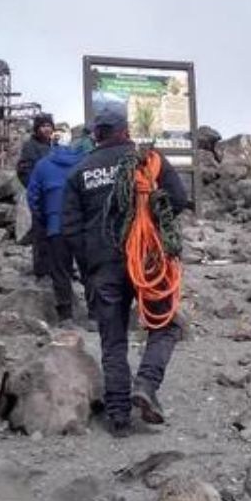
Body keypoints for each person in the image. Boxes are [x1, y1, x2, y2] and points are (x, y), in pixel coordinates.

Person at [62, 106, 188, 437]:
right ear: (125, 130)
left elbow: (70, 229)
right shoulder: (149, 160)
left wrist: (88, 266)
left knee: (113, 338)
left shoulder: (80, 172)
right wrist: (156, 224)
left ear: (96, 134)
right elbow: (178, 198)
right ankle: (146, 382)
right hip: (147, 260)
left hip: (103, 267)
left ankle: (118, 416)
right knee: (167, 323)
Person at [27, 132, 89, 323]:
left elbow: (33, 197)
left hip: (56, 226)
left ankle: (66, 316)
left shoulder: (43, 165)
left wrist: (44, 218)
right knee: (89, 270)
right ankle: (94, 314)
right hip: (82, 226)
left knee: (60, 270)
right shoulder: (85, 163)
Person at [17, 114, 56, 279]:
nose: (47, 129)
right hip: (40, 197)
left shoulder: (54, 146)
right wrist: (36, 189)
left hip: (54, 198)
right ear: (37, 128)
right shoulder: (30, 146)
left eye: (49, 125)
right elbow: (23, 171)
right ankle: (41, 270)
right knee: (40, 233)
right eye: (43, 126)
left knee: (55, 233)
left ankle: (56, 267)